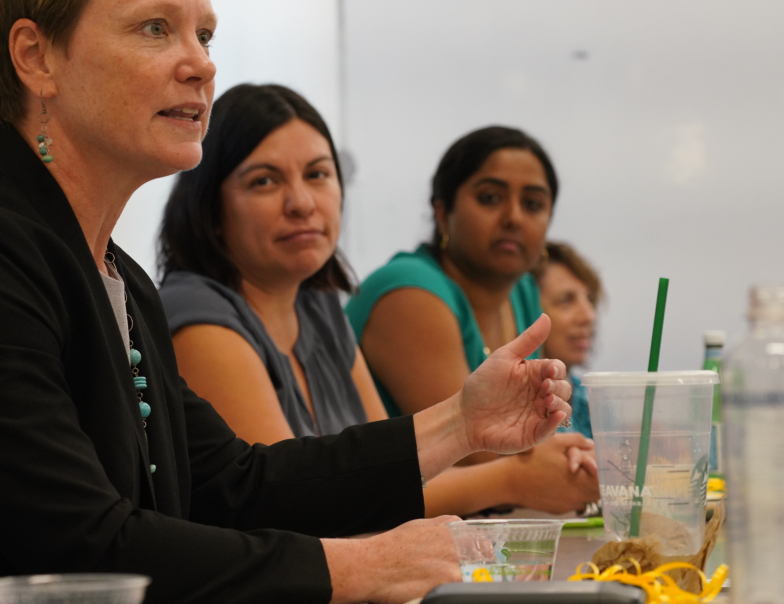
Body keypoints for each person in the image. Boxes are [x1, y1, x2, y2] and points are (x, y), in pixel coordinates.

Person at [0, 0, 575, 604]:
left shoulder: (115, 274)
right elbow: (88, 549)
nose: (200, 62)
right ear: (37, 58)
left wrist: (460, 423)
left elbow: (230, 486)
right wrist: (362, 567)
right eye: (154, 28)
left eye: (204, 32)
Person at [159, 84, 599, 517]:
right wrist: (511, 478)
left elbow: (387, 473)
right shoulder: (200, 321)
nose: (302, 203)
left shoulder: (318, 305)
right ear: (210, 207)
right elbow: (289, 506)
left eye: (317, 174)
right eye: (264, 181)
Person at [345, 127, 599, 503]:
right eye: (490, 198)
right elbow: (480, 453)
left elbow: (533, 433)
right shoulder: (409, 291)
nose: (513, 217)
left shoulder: (523, 291)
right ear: (443, 212)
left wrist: (573, 455)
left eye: (533, 204)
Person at [535, 241, 604, 439]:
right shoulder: (507, 411)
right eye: (566, 300)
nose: (589, 316)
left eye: (590, 300)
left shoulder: (591, 403)